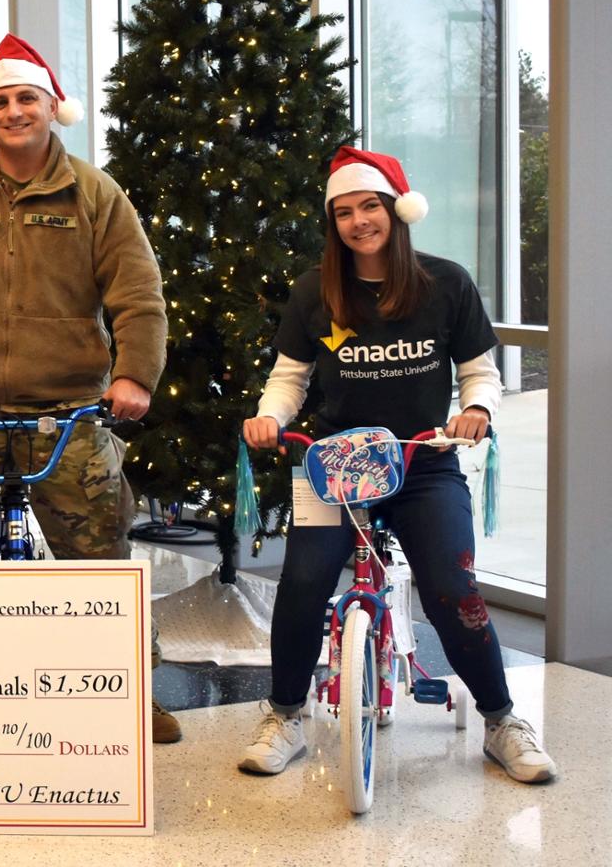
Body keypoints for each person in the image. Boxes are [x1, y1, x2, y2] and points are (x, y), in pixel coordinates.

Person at [0, 33, 180, 743]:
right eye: (0, 101)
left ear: (52, 107)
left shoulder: (94, 194)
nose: (13, 112)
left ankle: (137, 693)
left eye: (26, 99)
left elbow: (139, 293)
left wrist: (135, 375)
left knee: (102, 566)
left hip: (68, 415)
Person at [238, 146, 556, 783]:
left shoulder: (445, 284)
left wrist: (479, 411)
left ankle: (501, 720)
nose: (359, 221)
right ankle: (285, 715)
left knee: (453, 588)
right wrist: (271, 415)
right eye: (345, 211)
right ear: (334, 222)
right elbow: (291, 376)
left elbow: (479, 372)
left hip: (423, 461)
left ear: (395, 211)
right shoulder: (316, 291)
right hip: (334, 464)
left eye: (371, 207)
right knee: (301, 584)